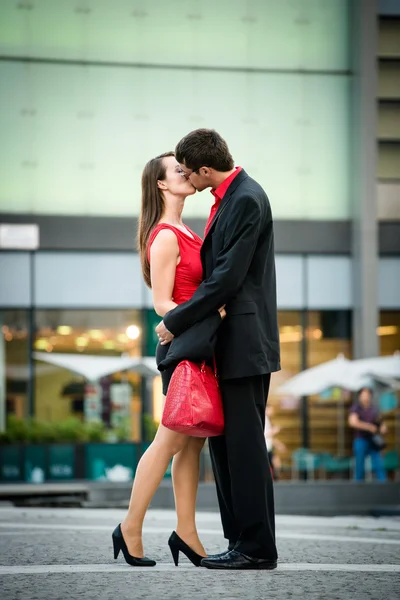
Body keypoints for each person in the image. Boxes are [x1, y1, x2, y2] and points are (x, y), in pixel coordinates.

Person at [156, 129, 281, 570]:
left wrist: (175, 320)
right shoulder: (229, 197)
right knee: (227, 450)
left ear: (206, 169)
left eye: (189, 171)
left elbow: (227, 278)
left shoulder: (246, 198)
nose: (188, 178)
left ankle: (257, 548)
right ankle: (241, 542)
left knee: (244, 449)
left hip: (245, 343)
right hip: (230, 343)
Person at [112, 151, 225, 567]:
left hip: (197, 346)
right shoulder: (164, 236)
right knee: (172, 439)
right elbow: (162, 303)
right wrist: (210, 308)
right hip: (182, 348)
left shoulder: (186, 230)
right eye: (178, 170)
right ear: (161, 184)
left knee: (192, 444)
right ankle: (130, 527)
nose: (188, 173)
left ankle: (187, 531)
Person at [348, 387, 387, 482]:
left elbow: (379, 421)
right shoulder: (356, 408)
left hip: (373, 440)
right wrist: (368, 427)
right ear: (360, 396)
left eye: (367, 395)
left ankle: (384, 487)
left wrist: (382, 427)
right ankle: (358, 488)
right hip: (361, 439)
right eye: (363, 394)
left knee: (379, 464)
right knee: (359, 466)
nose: (366, 397)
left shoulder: (373, 409)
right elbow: (353, 422)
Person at [264, 406, 286, 481]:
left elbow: (269, 437)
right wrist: (273, 431)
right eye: (271, 409)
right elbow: (263, 435)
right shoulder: (264, 419)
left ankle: (275, 477)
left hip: (268, 447)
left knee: (275, 460)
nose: (272, 412)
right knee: (273, 461)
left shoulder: (268, 420)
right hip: (265, 447)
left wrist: (278, 444)